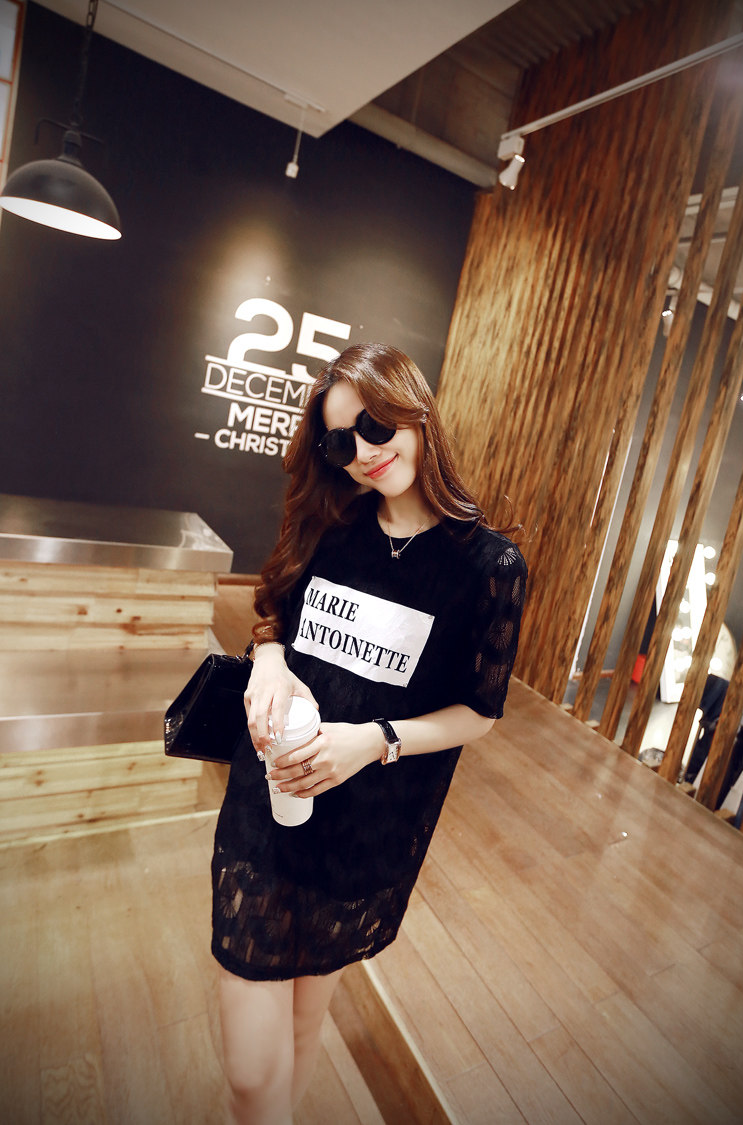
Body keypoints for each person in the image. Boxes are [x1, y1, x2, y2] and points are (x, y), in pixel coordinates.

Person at [211, 342, 526, 1124]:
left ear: (416, 413)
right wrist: (269, 660)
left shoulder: (487, 565)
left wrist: (374, 739)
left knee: (306, 1017)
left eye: (376, 426)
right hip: (271, 793)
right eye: (340, 440)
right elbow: (273, 612)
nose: (362, 451)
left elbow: (480, 711)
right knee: (249, 1068)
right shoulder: (332, 524)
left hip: (366, 821)